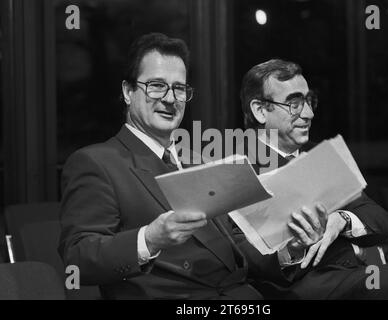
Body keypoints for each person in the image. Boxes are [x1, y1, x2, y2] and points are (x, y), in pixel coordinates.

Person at [58, 33, 329, 299]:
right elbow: (77, 259)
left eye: (179, 88)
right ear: (128, 92)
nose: (169, 98)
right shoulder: (97, 162)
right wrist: (149, 239)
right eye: (156, 85)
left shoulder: (199, 161)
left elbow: (237, 246)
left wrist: (289, 250)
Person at [239, 58, 388, 299]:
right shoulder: (240, 171)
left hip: (350, 275)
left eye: (308, 101)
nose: (309, 113)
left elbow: (380, 221)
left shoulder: (322, 156)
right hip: (295, 287)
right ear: (260, 110)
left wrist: (341, 220)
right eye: (294, 103)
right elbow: (241, 255)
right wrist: (291, 250)